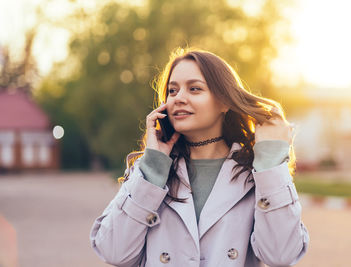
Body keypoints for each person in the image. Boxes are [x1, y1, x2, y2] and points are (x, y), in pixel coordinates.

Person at [90, 47, 310, 267]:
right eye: (173, 91)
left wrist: (270, 161)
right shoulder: (150, 172)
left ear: (224, 101)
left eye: (194, 89)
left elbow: (281, 256)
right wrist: (153, 167)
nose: (179, 98)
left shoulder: (255, 172)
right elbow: (113, 251)